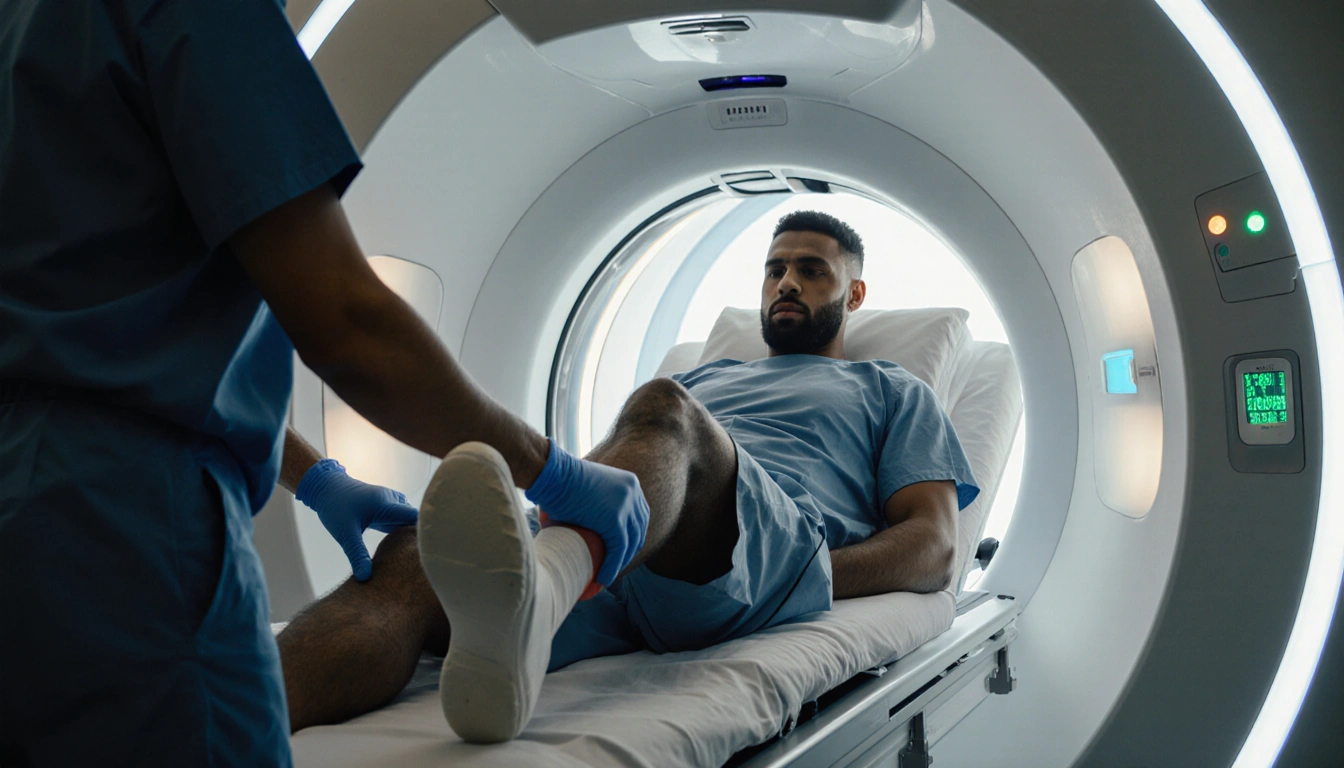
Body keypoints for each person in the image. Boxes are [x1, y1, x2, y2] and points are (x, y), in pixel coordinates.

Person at [0, 2, 646, 765]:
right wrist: (556, 472)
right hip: (119, 534)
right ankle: (536, 601)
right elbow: (348, 322)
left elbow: (110, 337)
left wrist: (317, 479)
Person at [277, 211, 980, 743]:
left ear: (854, 293)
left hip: (757, 548)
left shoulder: (887, 388)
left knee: (662, 406)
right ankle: (229, 722)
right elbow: (625, 478)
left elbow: (935, 545)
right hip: (630, 549)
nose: (786, 282)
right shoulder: (708, 373)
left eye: (812, 270)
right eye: (775, 268)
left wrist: (813, 575)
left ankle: (542, 588)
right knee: (407, 558)